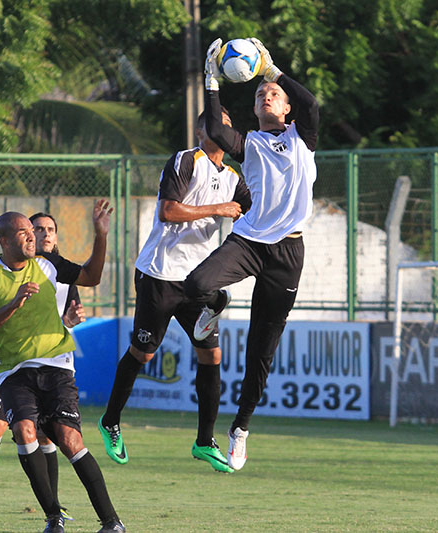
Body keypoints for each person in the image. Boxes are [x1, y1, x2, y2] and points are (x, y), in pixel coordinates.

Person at [183, 37, 319, 471]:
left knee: (261, 352)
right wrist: (211, 81)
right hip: (250, 241)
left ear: (285, 110)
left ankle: (240, 429)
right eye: (260, 93)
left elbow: (312, 103)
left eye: (273, 95)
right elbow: (218, 132)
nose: (265, 95)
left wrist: (271, 70)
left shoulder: (303, 137)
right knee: (198, 286)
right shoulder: (251, 143)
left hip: (287, 254)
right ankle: (218, 304)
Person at [97, 109, 251, 473]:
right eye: (217, 123)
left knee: (211, 356)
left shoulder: (233, 177)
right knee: (144, 353)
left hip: (198, 280)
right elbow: (168, 211)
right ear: (202, 130)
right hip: (160, 274)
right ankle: (111, 421)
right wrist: (220, 209)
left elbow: (251, 209)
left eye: (229, 124)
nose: (224, 129)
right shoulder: (185, 161)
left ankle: (204, 441)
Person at [0, 202, 125, 533]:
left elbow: (91, 276)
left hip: (56, 365)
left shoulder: (47, 264)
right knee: (23, 432)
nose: (32, 237)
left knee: (69, 439)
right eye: (24, 232)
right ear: (5, 240)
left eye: (33, 231)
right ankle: (53, 516)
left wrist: (100, 235)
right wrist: (13, 304)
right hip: (13, 371)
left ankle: (112, 523)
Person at [0, 212, 85, 522]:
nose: (43, 234)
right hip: (10, 363)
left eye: (50, 229)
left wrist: (68, 323)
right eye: (37, 229)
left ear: (57, 237)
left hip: (46, 361)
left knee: (46, 436)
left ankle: (54, 508)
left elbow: (56, 320)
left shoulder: (58, 273)